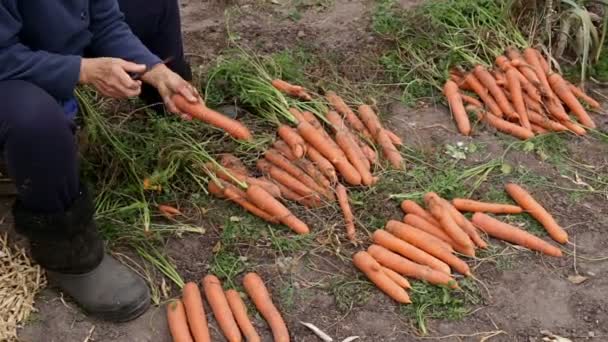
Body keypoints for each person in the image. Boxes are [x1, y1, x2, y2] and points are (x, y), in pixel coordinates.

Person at [0, 0, 198, 322]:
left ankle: (171, 104)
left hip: (36, 42)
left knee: (152, 6)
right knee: (36, 121)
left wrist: (154, 69)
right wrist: (82, 70)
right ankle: (68, 254)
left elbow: (104, 21)